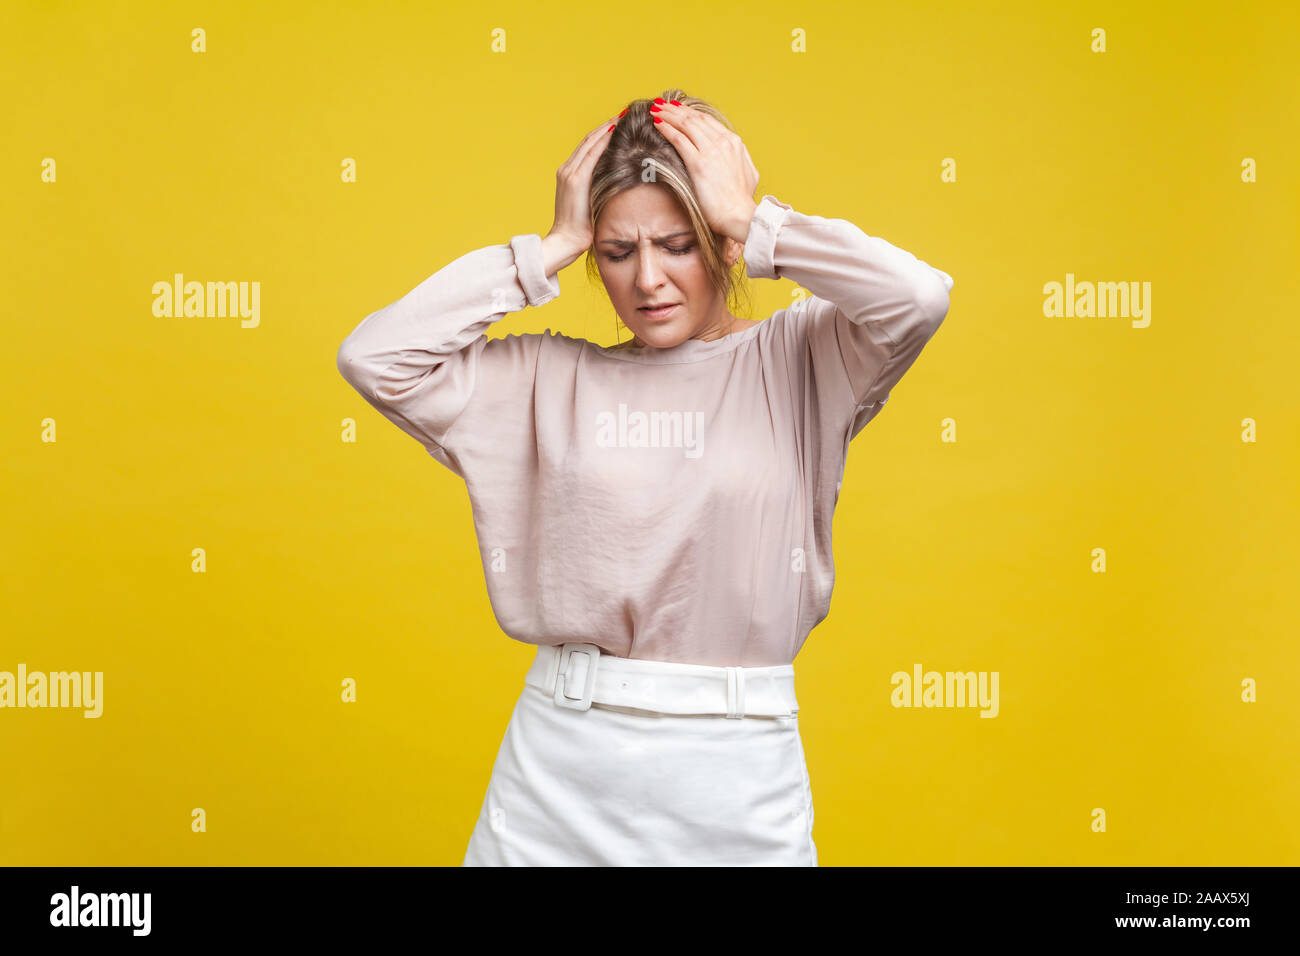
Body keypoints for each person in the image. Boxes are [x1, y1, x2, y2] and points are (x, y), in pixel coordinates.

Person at [336, 89, 953, 866]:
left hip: (736, 778)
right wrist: (547, 249)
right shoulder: (545, 380)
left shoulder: (803, 360)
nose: (648, 281)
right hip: (560, 777)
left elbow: (919, 297)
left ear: (722, 245)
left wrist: (757, 219)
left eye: (677, 244)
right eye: (618, 253)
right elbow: (374, 357)